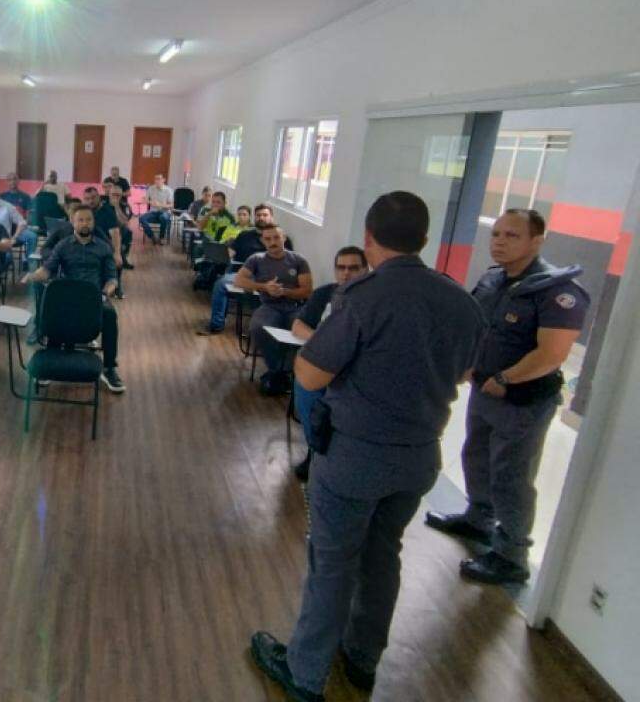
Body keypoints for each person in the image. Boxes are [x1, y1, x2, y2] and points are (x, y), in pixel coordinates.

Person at [250, 191, 486, 702]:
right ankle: (361, 660)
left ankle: (305, 672)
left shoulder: (363, 297)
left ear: (370, 237)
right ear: (424, 239)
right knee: (383, 557)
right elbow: (468, 373)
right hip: (421, 455)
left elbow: (310, 375)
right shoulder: (460, 300)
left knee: (332, 563)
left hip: (357, 455)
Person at [426, 208, 589, 585]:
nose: (499, 241)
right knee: (476, 457)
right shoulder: (493, 280)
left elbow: (552, 354)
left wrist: (506, 377)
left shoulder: (557, 292)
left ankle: (511, 555)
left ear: (537, 241)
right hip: (485, 390)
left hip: (524, 402)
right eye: (496, 233)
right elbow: (475, 326)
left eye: (512, 235)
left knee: (511, 476)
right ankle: (478, 519)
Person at [22, 205, 127, 393]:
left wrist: (106, 292)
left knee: (110, 315)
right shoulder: (63, 246)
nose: (85, 223)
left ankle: (109, 367)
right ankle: (52, 360)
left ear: (93, 222)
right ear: (73, 222)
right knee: (54, 309)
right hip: (68, 295)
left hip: (94, 297)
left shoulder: (104, 248)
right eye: (81, 220)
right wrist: (32, 276)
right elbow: (47, 269)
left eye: (88, 220)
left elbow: (112, 278)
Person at [289, 246, 368, 481]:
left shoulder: (372, 301)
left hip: (358, 370)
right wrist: (325, 341)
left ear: (366, 270)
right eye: (341, 268)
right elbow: (298, 326)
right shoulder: (325, 293)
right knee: (306, 388)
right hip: (326, 362)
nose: (346, 274)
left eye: (353, 268)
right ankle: (315, 450)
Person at [225, 225, 313, 395]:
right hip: (269, 306)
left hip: (295, 307)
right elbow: (239, 281)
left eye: (276, 238)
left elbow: (307, 290)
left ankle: (284, 371)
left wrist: (284, 291)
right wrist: (264, 287)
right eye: (268, 239)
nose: (272, 242)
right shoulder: (256, 259)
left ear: (284, 238)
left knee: (301, 334)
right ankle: (276, 369)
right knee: (257, 327)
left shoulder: (299, 260)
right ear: (262, 241)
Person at [82, 186, 125, 298]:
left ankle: (116, 285)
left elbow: (115, 233)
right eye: (87, 198)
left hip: (104, 245)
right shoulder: (83, 212)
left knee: (117, 258)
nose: (90, 201)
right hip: (85, 244)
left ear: (99, 197)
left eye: (93, 197)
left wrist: (117, 253)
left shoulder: (107, 211)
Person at [107, 182, 135, 270]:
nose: (115, 197)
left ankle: (122, 256)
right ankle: (123, 260)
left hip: (118, 228)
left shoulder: (125, 205)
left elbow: (125, 221)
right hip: (103, 228)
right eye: (113, 194)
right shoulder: (102, 202)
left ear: (121, 195)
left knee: (126, 231)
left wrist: (116, 207)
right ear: (109, 194)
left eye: (118, 195)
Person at [139, 173, 174, 243]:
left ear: (163, 180)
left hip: (165, 212)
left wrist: (160, 205)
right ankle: (152, 236)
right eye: (155, 179)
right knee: (141, 218)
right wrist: (149, 201)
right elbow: (145, 200)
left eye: (159, 179)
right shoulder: (151, 188)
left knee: (163, 217)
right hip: (153, 212)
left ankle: (161, 237)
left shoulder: (168, 190)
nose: (157, 181)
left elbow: (171, 205)